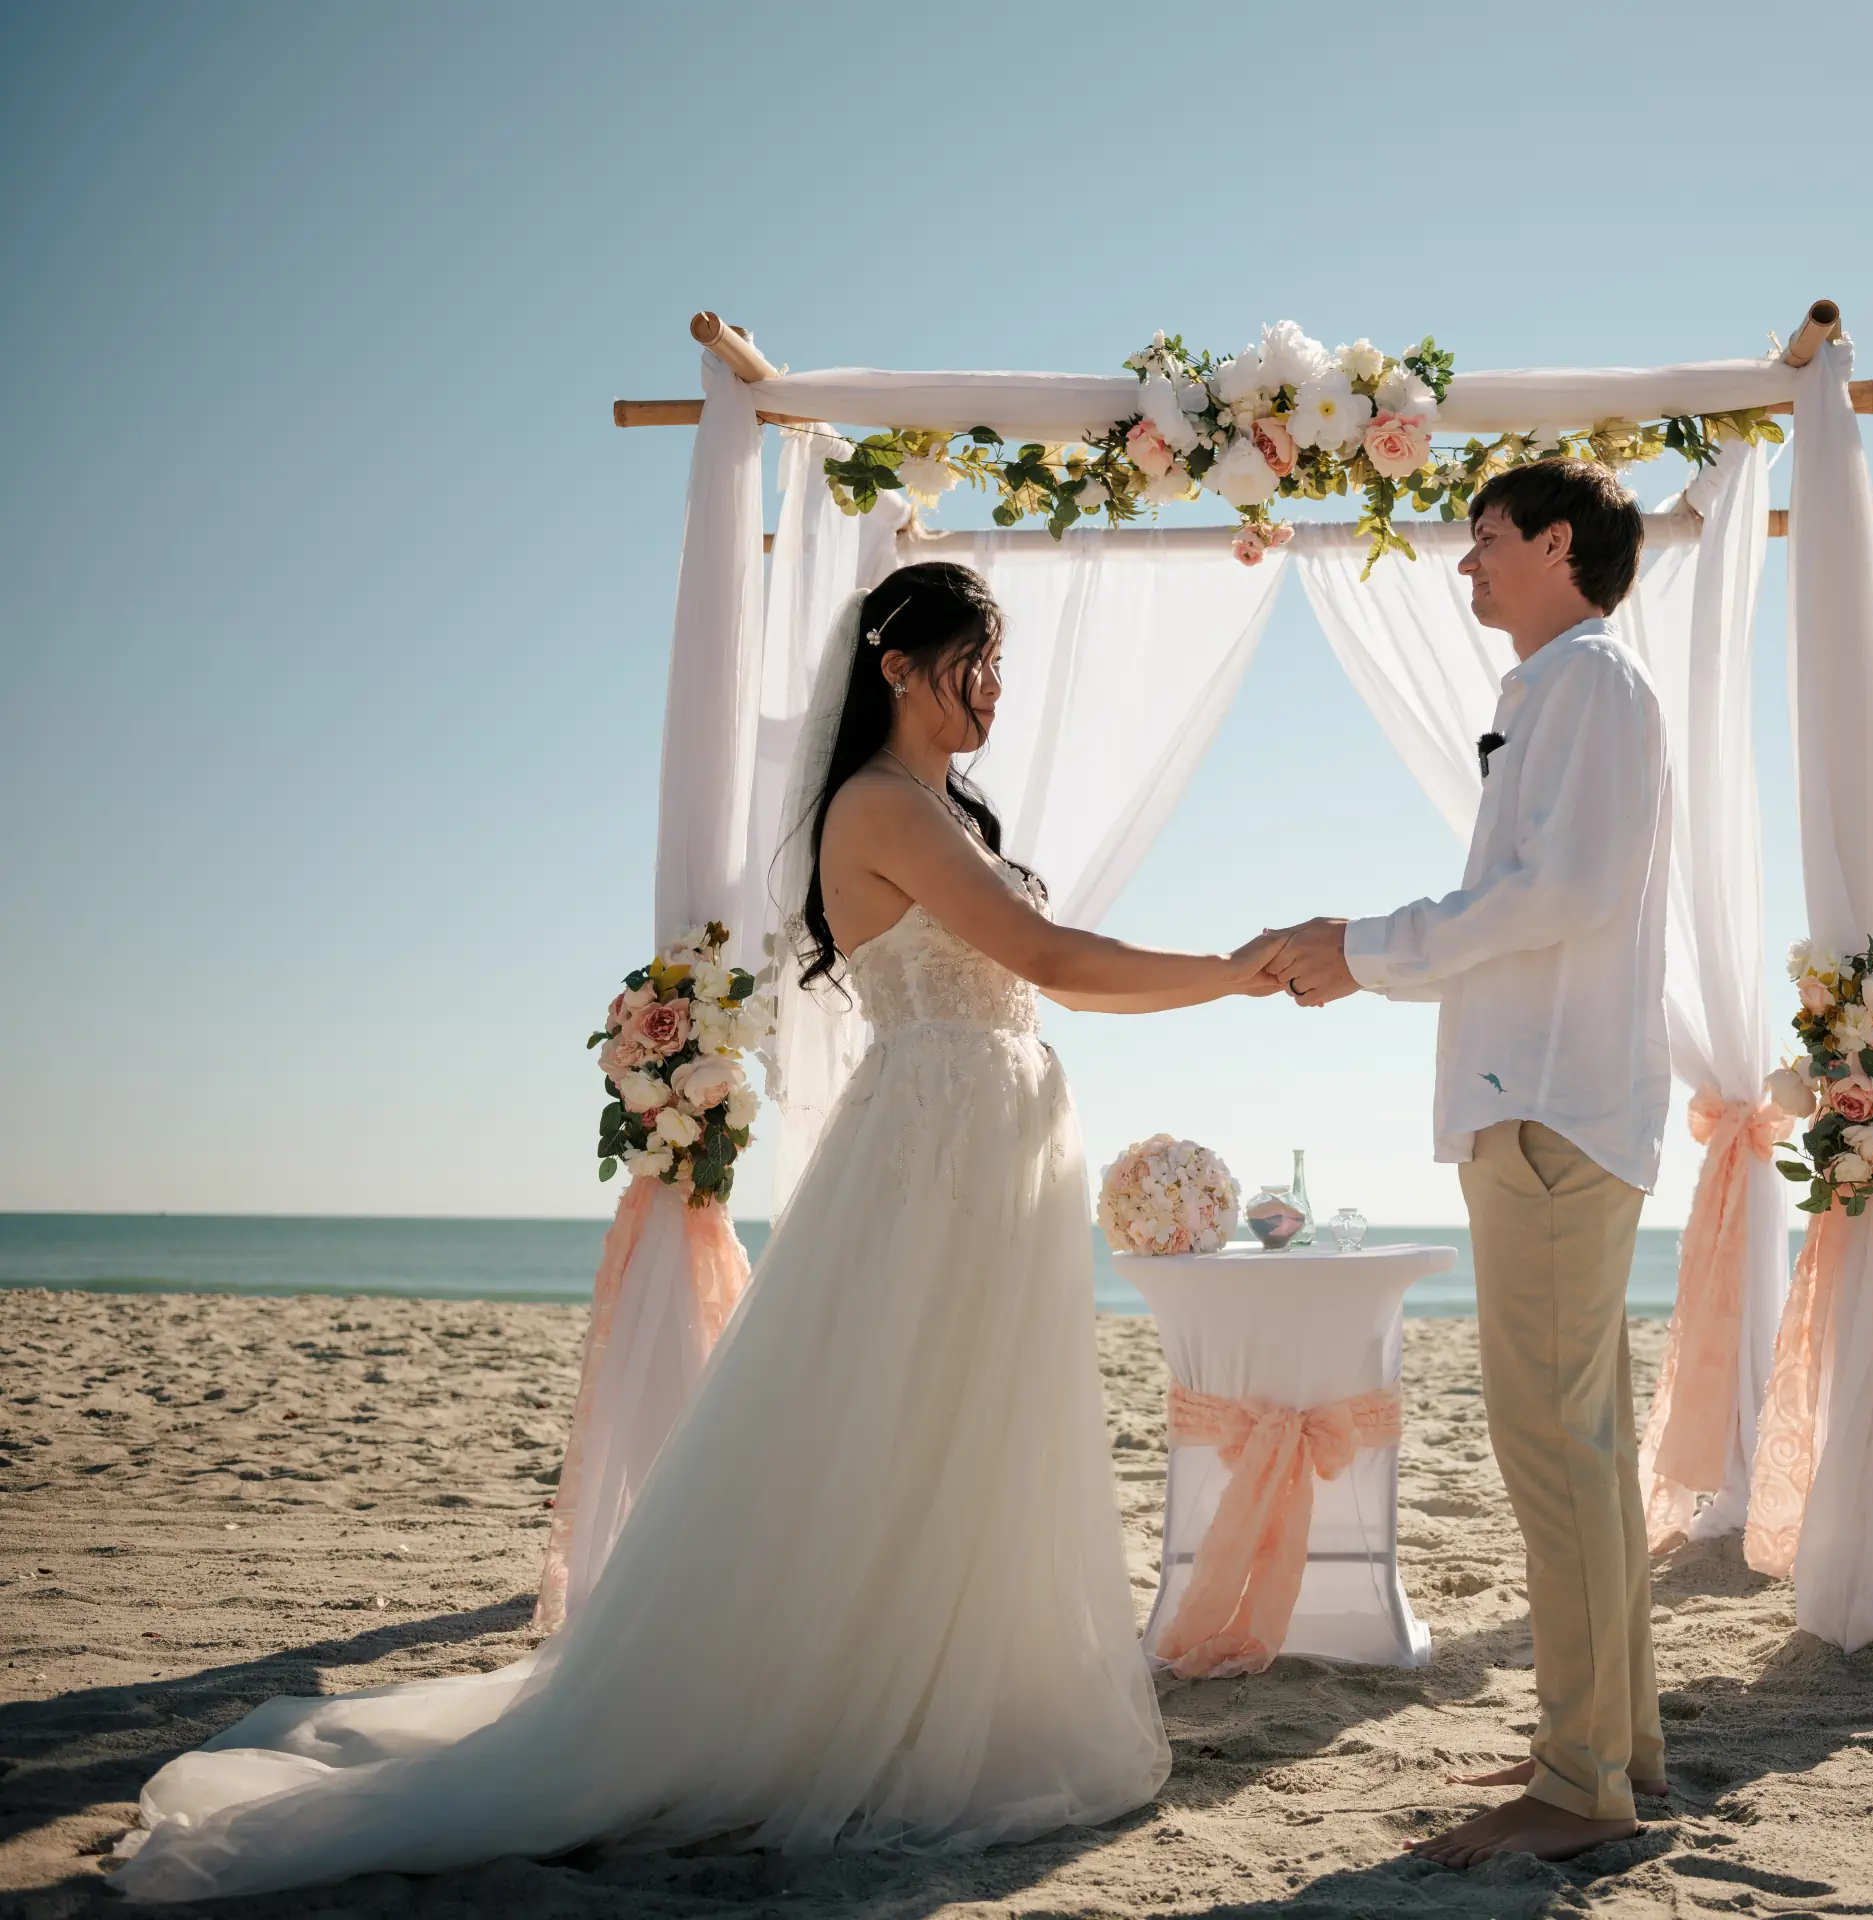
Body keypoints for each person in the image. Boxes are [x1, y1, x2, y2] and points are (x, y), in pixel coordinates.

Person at [113, 562, 1285, 1901]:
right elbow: (1053, 961)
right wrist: (1236, 972)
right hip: (937, 1150)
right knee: (900, 1419)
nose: (997, 692)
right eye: (979, 662)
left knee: (973, 1424)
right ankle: (859, 1710)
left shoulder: (938, 806)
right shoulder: (880, 806)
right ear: (899, 664)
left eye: (1003, 666)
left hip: (987, 1140)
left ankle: (940, 1693)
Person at [1268, 459, 1674, 1866]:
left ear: (1558, 543)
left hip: (1554, 1111)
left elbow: (1560, 895)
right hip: (1554, 1103)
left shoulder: (1594, 690)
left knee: (1553, 1450)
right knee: (1588, 1448)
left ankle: (1578, 1786)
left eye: (1486, 539)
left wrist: (1363, 948)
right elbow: (1536, 899)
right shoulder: (1564, 692)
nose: (1465, 565)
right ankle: (1618, 1745)